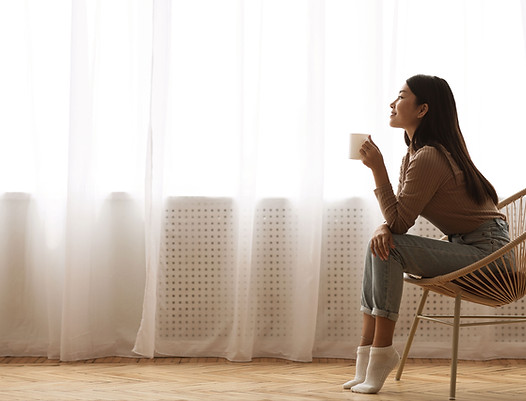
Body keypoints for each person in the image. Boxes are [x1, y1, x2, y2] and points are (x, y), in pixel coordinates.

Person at [343, 74, 510, 394]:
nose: (392, 103)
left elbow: (399, 223)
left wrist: (378, 168)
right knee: (379, 243)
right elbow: (395, 221)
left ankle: (380, 355)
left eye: (402, 96)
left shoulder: (429, 157)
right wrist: (382, 227)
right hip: (471, 247)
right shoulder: (417, 155)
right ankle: (366, 360)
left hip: (491, 257)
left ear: (422, 110)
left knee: (388, 246)